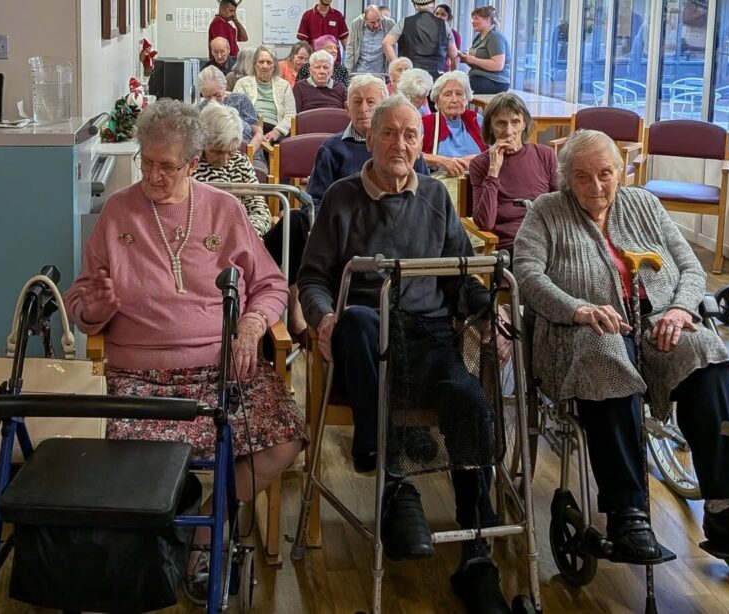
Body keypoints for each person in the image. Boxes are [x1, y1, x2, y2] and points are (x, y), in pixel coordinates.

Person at [512, 130, 729, 567]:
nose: (597, 186)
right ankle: (628, 515)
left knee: (706, 350)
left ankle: (727, 511)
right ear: (566, 180)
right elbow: (528, 276)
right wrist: (579, 309)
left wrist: (681, 310)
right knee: (606, 358)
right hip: (577, 333)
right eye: (583, 177)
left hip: (657, 325)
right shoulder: (547, 212)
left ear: (621, 172)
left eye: (605, 174)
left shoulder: (645, 203)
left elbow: (689, 266)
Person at [65, 99, 305, 605]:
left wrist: (252, 325)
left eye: (166, 165)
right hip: (137, 376)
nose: (153, 174)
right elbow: (81, 301)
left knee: (283, 440)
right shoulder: (117, 211)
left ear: (194, 163)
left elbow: (270, 284)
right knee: (130, 459)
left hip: (220, 370)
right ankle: (168, 523)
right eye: (146, 162)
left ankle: (204, 533)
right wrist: (96, 309)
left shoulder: (224, 209)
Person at [298, 95, 512, 613]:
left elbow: (463, 279)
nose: (400, 144)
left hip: (428, 340)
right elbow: (312, 279)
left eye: (410, 135)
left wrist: (491, 316)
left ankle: (476, 552)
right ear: (370, 139)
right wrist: (324, 317)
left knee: (470, 406)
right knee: (361, 317)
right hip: (362, 346)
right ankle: (394, 481)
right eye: (389, 134)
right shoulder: (342, 198)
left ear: (422, 144)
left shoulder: (436, 197)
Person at [305, 75, 429, 215]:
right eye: (357, 102)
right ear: (347, 107)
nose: (363, 109)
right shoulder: (331, 149)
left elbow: (427, 196)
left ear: (385, 107)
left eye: (370, 102)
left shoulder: (403, 148)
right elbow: (313, 203)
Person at [469, 93, 557, 252]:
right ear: (490, 127)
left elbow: (561, 205)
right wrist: (493, 171)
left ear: (524, 124)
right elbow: (485, 223)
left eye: (515, 122)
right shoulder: (480, 164)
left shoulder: (545, 155)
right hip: (510, 245)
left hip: (546, 240)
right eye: (501, 124)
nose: (509, 131)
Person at [193, 103, 272, 236]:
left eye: (231, 152)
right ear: (202, 141)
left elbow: (259, 211)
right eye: (217, 152)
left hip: (241, 236)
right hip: (200, 237)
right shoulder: (188, 163)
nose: (224, 160)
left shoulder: (240, 161)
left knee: (295, 219)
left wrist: (246, 234)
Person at [422, 70, 485, 177]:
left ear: (466, 99)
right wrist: (439, 160)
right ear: (437, 101)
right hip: (441, 184)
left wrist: (480, 159)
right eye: (448, 94)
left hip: (476, 181)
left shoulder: (476, 120)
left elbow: (496, 150)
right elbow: (410, 154)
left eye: (459, 94)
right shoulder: (425, 123)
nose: (455, 99)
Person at [233, 45, 296, 143]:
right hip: (250, 128)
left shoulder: (284, 85)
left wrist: (276, 132)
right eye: (261, 62)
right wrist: (255, 130)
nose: (265, 66)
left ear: (274, 66)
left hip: (275, 129)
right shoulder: (242, 83)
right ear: (254, 64)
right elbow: (235, 111)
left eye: (269, 62)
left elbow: (290, 115)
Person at [383, 0, 458, 80]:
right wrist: (452, 78)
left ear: (415, 5)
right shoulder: (444, 25)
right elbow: (454, 56)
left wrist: (398, 67)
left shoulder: (404, 22)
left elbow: (386, 43)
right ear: (433, 5)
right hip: (436, 77)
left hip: (410, 76)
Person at [196, 65, 262, 155]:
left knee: (258, 169)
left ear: (225, 86)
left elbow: (258, 132)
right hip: (216, 157)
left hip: (250, 152)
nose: (213, 100)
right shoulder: (200, 110)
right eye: (208, 97)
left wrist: (249, 153)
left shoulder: (241, 100)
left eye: (217, 95)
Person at [458, 6, 511, 95]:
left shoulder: (495, 37)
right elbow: (478, 64)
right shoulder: (478, 37)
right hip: (479, 78)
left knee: (457, 86)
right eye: (472, 19)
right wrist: (466, 59)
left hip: (495, 81)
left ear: (487, 20)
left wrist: (473, 60)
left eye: (476, 18)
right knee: (453, 82)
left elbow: (498, 65)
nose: (473, 21)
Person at [346, 4, 395, 76]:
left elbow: (393, 50)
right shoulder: (356, 23)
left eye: (379, 20)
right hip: (359, 73)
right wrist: (348, 73)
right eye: (372, 22)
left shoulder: (390, 24)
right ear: (365, 20)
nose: (377, 25)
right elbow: (350, 49)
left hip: (380, 74)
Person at [433, 3, 460, 70]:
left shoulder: (454, 35)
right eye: (437, 13)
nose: (439, 16)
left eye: (443, 14)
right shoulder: (427, 31)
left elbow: (455, 58)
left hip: (444, 70)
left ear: (448, 19)